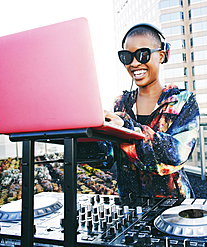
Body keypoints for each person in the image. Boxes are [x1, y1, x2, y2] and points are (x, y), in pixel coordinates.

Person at [79, 23, 200, 199]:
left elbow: (176, 155)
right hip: (130, 207)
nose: (134, 63)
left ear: (161, 55)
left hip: (173, 209)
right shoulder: (120, 104)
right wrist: (86, 134)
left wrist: (126, 128)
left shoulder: (183, 101)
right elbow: (108, 157)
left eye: (142, 55)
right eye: (127, 57)